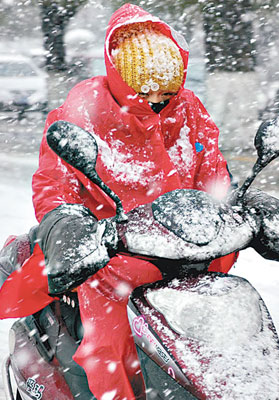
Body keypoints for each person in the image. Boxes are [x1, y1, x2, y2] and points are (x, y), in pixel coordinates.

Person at [0, 4, 237, 399]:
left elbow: (213, 171)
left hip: (190, 250)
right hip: (112, 255)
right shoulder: (83, 110)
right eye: (145, 93)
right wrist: (65, 222)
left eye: (167, 92)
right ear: (120, 76)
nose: (157, 101)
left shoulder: (189, 108)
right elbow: (53, 183)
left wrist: (229, 210)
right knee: (109, 343)